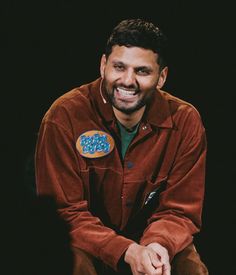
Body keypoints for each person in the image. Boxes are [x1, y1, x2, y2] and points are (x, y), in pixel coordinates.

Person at [35, 19, 208, 275]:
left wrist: (157, 246)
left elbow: (180, 210)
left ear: (161, 77)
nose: (127, 81)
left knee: (190, 268)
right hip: (84, 240)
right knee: (68, 261)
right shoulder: (64, 117)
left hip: (151, 238)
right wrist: (127, 251)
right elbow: (64, 212)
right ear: (103, 65)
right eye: (119, 67)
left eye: (142, 71)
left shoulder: (186, 121)